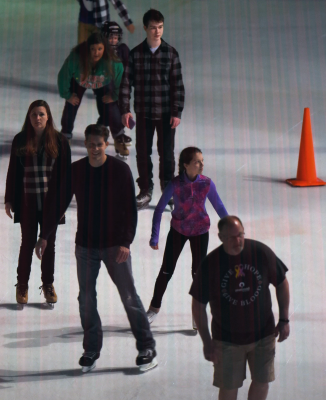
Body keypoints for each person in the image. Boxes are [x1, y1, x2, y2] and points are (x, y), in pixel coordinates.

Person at [36, 124, 157, 373]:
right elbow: (59, 202)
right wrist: (45, 235)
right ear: (85, 144)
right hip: (86, 246)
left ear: (107, 145)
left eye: (99, 144)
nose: (94, 149)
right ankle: (91, 349)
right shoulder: (76, 170)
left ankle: (147, 346)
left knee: (129, 296)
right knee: (86, 299)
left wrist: (126, 242)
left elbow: (129, 210)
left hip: (115, 247)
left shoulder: (120, 170)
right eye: (90, 144)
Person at [191, 216, 290, 400]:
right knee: (229, 387)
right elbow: (198, 305)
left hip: (264, 335)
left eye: (240, 235)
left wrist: (284, 320)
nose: (238, 241)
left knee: (262, 381)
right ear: (220, 237)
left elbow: (282, 282)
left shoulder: (260, 252)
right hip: (227, 340)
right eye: (231, 237)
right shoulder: (210, 264)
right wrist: (207, 341)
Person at [146, 147, 229, 325]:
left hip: (200, 232)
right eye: (197, 162)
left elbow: (219, 207)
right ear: (186, 165)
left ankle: (197, 312)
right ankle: (154, 308)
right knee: (166, 270)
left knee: (198, 273)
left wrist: (231, 227)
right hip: (179, 230)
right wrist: (155, 236)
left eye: (202, 160)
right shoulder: (175, 184)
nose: (202, 165)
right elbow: (159, 209)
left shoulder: (206, 183)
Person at [4, 100, 72, 306]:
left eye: (41, 114)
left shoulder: (60, 141)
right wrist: (9, 198)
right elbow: (13, 171)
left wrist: (62, 207)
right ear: (29, 117)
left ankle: (48, 284)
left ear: (48, 116)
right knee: (27, 244)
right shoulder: (20, 140)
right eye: (34, 114)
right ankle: (22, 285)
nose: (38, 118)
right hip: (28, 202)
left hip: (52, 205)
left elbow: (67, 178)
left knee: (49, 245)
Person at [118, 9, 186, 209]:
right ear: (145, 28)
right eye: (153, 28)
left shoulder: (171, 54)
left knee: (167, 154)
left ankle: (168, 189)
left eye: (160, 27)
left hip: (166, 114)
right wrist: (125, 109)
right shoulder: (136, 54)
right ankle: (145, 190)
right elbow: (125, 84)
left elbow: (177, 86)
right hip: (145, 113)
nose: (157, 32)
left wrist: (176, 112)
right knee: (142, 153)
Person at [57, 32, 125, 144]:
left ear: (105, 49)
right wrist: (67, 95)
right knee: (71, 104)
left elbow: (121, 80)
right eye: (93, 49)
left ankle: (118, 136)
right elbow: (63, 76)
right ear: (87, 48)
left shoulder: (112, 61)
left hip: (103, 83)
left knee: (110, 105)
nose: (96, 52)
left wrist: (115, 96)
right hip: (80, 82)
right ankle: (65, 135)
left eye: (99, 49)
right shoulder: (76, 58)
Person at [102, 21, 134, 160]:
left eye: (116, 37)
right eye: (110, 37)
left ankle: (100, 131)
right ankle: (119, 137)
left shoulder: (123, 49)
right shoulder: (101, 49)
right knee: (112, 111)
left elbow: (129, 67)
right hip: (107, 88)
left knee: (120, 112)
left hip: (122, 88)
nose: (113, 40)